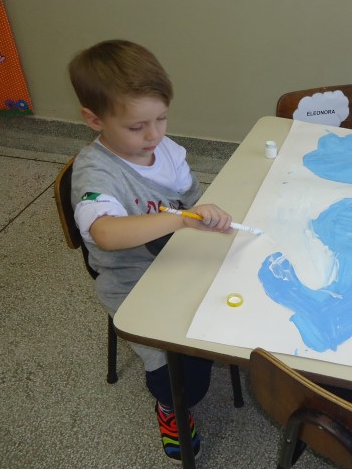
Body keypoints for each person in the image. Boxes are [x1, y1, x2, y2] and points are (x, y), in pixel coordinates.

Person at [67, 39, 233, 462]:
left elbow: (192, 197)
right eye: (137, 126)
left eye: (161, 118)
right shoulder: (95, 172)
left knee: (235, 307)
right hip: (132, 279)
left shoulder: (165, 150)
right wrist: (182, 219)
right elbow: (105, 233)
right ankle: (169, 407)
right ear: (94, 119)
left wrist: (205, 214)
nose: (155, 135)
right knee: (181, 380)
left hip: (179, 257)